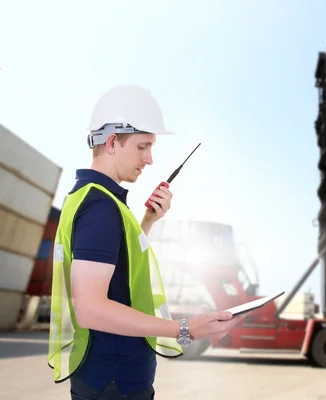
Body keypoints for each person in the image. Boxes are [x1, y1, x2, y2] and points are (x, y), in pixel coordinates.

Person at [48, 85, 245, 399]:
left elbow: (120, 272)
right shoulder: (101, 208)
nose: (150, 159)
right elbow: (91, 309)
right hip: (113, 383)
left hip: (109, 378)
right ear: (112, 142)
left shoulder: (95, 200)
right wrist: (186, 328)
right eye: (142, 146)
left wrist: (148, 222)